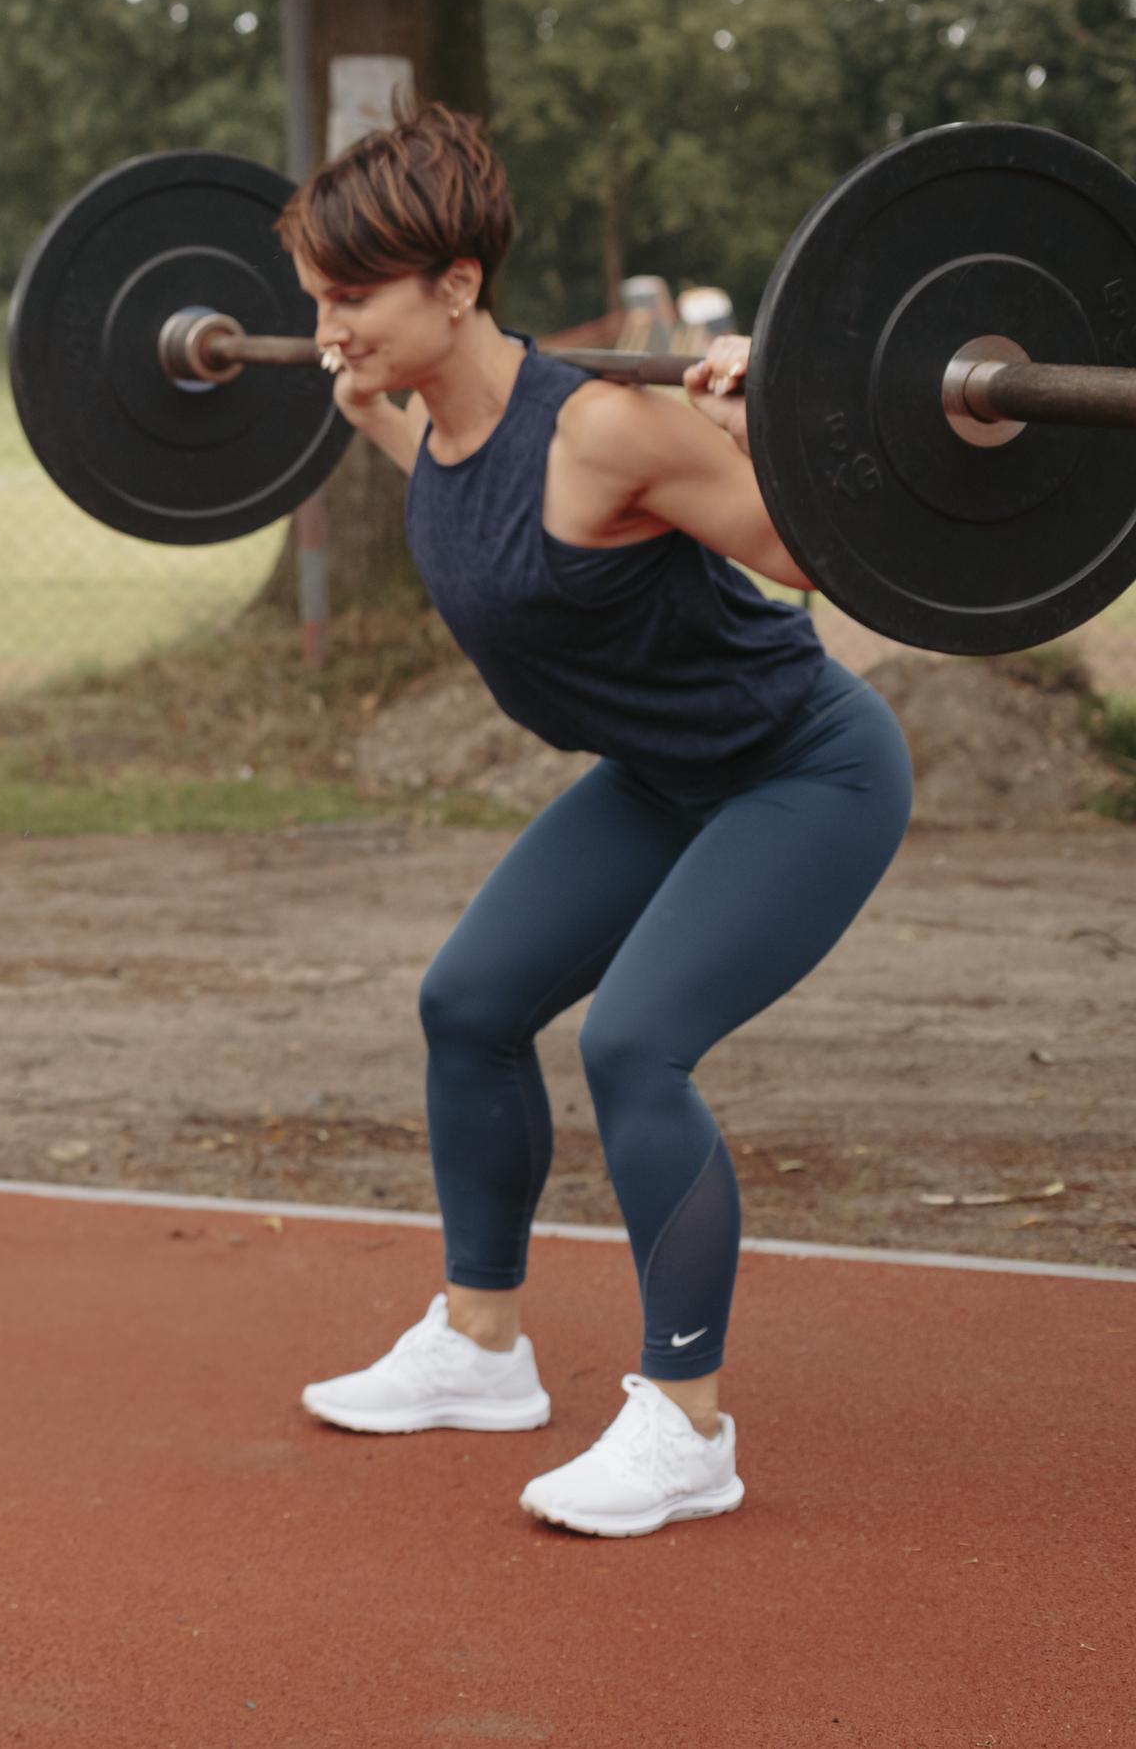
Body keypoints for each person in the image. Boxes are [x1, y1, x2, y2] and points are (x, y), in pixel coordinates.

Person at [283, 107, 911, 1537]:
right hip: (659, 773)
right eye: (315, 297)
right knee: (472, 1000)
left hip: (802, 766)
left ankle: (689, 1424)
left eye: (352, 297)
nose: (325, 323)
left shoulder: (610, 430)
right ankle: (482, 1346)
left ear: (455, 283)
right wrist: (368, 398)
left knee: (635, 1042)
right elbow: (480, 524)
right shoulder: (432, 426)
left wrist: (769, 425)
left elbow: (820, 560)